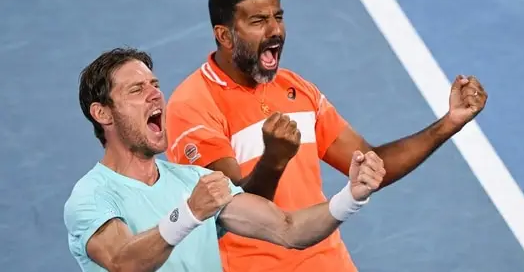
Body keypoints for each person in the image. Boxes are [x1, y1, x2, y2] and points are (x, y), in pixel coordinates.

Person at [164, 0, 488, 272]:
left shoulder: (296, 88)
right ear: (225, 35)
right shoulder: (192, 105)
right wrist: (273, 161)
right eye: (259, 21)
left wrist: (450, 122)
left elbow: (371, 163)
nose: (275, 30)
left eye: (278, 17)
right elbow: (228, 209)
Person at [63, 47, 386, 272]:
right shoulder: (92, 196)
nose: (154, 94)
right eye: (136, 90)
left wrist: (351, 196)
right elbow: (123, 262)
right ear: (102, 113)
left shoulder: (193, 181)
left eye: (155, 85)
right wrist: (188, 214)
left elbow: (289, 229)